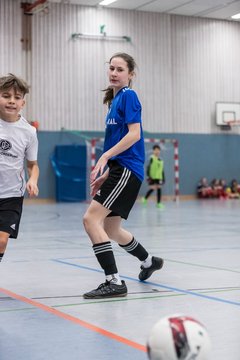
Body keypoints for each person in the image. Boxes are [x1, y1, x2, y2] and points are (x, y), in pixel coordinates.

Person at [82, 53, 164, 299]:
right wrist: (108, 174)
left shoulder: (129, 96)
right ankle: (149, 261)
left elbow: (134, 135)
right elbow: (122, 144)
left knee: (90, 220)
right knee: (112, 229)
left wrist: (105, 156)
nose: (114, 73)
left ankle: (114, 281)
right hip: (121, 170)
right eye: (111, 68)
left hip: (128, 169)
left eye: (120, 69)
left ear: (130, 75)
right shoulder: (114, 101)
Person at [0, 73, 39, 263]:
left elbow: (33, 165)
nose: (11, 101)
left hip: (11, 195)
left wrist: (33, 179)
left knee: (1, 240)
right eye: (6, 96)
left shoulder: (29, 132)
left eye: (17, 97)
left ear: (23, 103)